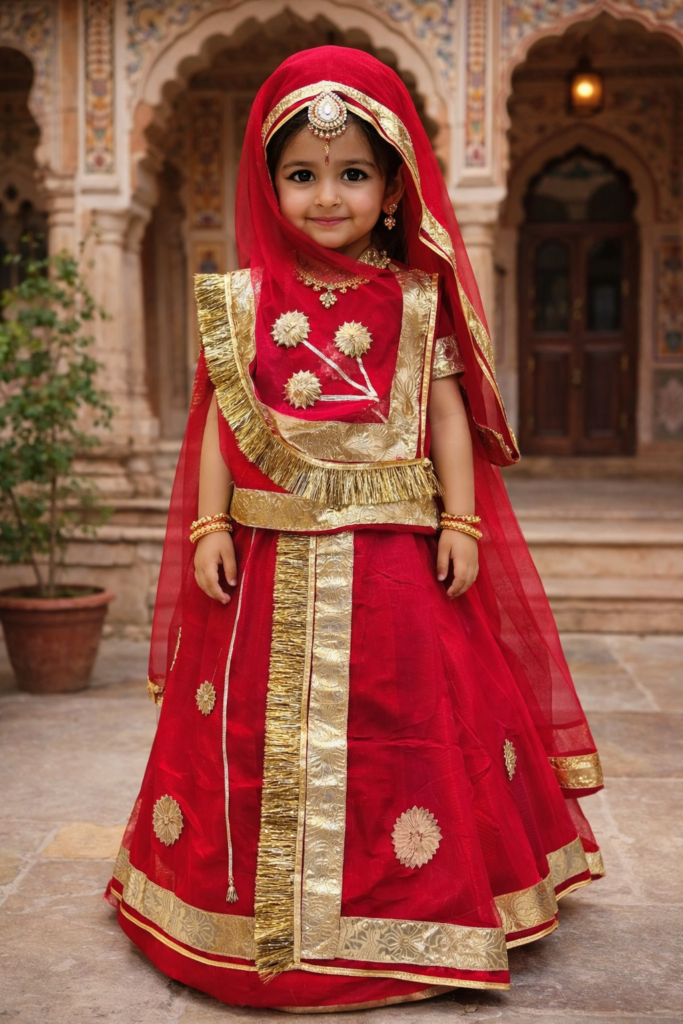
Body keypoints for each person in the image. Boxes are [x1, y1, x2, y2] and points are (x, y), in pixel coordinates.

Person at [105, 47, 605, 1013]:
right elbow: (218, 414)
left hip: (393, 566)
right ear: (269, 182)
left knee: (407, 730)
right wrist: (209, 523)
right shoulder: (241, 300)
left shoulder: (417, 299)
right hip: (262, 560)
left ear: (389, 190)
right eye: (300, 174)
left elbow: (447, 412)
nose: (324, 194)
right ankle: (234, 916)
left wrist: (458, 519)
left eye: (350, 174)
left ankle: (414, 915)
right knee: (249, 733)